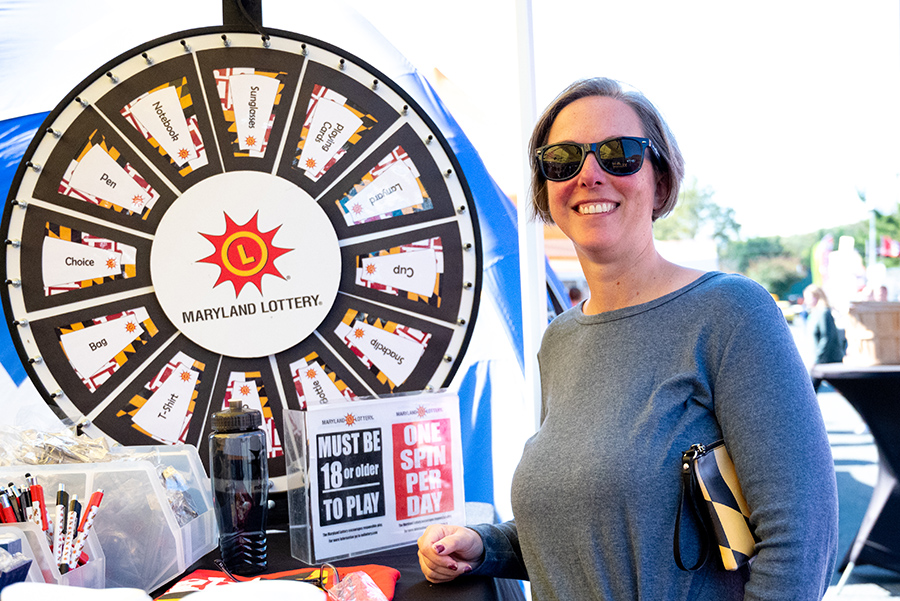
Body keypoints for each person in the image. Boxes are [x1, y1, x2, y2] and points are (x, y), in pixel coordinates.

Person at [417, 77, 838, 600]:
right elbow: (591, 529)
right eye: (563, 160)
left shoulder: (731, 313)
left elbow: (801, 542)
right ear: (546, 189)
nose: (590, 173)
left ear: (660, 182)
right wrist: (486, 547)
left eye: (619, 154)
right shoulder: (560, 341)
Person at [804, 284, 844, 391]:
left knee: (809, 391)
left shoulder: (824, 313)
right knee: (810, 391)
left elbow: (827, 338)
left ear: (817, 297)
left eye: (808, 297)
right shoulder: (813, 314)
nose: (806, 301)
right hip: (820, 360)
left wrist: (817, 359)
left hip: (829, 360)